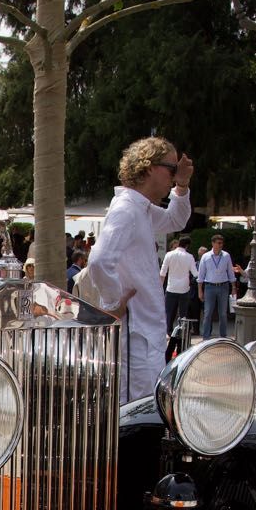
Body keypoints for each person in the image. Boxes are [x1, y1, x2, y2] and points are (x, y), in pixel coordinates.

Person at [86, 136, 196, 402]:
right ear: (148, 168)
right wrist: (114, 303)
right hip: (136, 335)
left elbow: (176, 219)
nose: (174, 174)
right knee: (136, 413)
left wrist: (181, 185)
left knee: (144, 410)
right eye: (171, 169)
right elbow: (99, 260)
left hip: (144, 332)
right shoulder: (127, 209)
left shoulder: (140, 209)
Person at [159, 234, 197, 345]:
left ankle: (167, 332)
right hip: (184, 288)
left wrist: (160, 288)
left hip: (171, 287)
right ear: (187, 246)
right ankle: (181, 334)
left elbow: (163, 273)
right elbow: (195, 273)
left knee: (168, 312)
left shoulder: (169, 254)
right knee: (183, 314)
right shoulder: (189, 257)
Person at [197, 233, 236, 338]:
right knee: (208, 313)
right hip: (209, 286)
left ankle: (223, 336)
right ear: (213, 243)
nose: (220, 245)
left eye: (222, 243)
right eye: (218, 243)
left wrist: (234, 287)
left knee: (223, 313)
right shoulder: (205, 256)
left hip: (223, 286)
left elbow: (230, 272)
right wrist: (200, 290)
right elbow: (201, 275)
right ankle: (206, 337)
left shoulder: (226, 256)